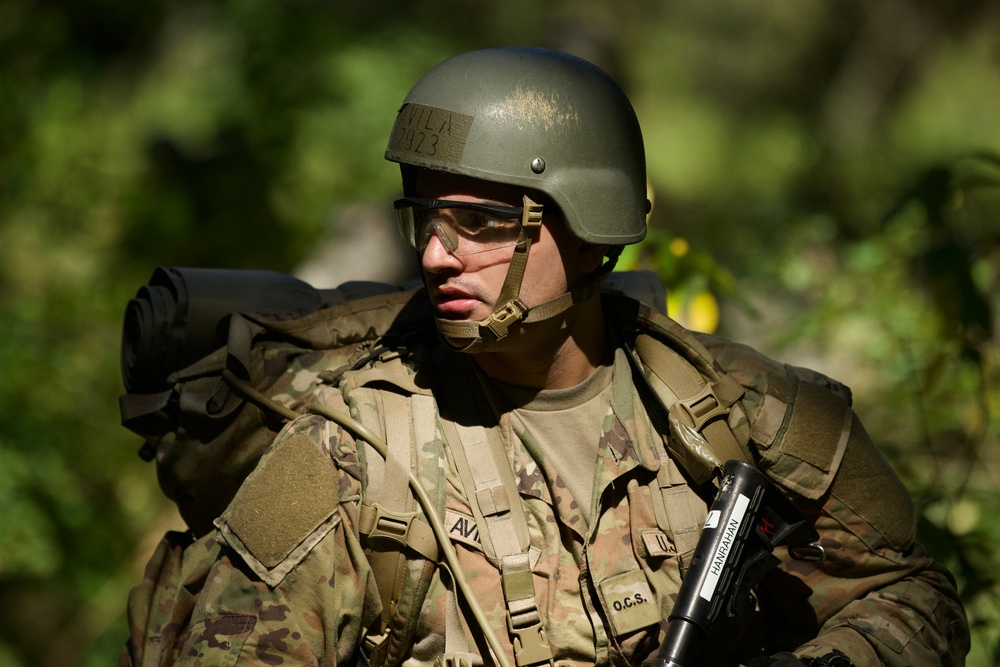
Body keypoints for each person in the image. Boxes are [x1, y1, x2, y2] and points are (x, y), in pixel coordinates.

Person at [119, 46, 969, 667]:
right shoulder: (353, 461)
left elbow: (913, 597)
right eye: (428, 219)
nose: (437, 256)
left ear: (588, 223)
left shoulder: (735, 415)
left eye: (484, 223)